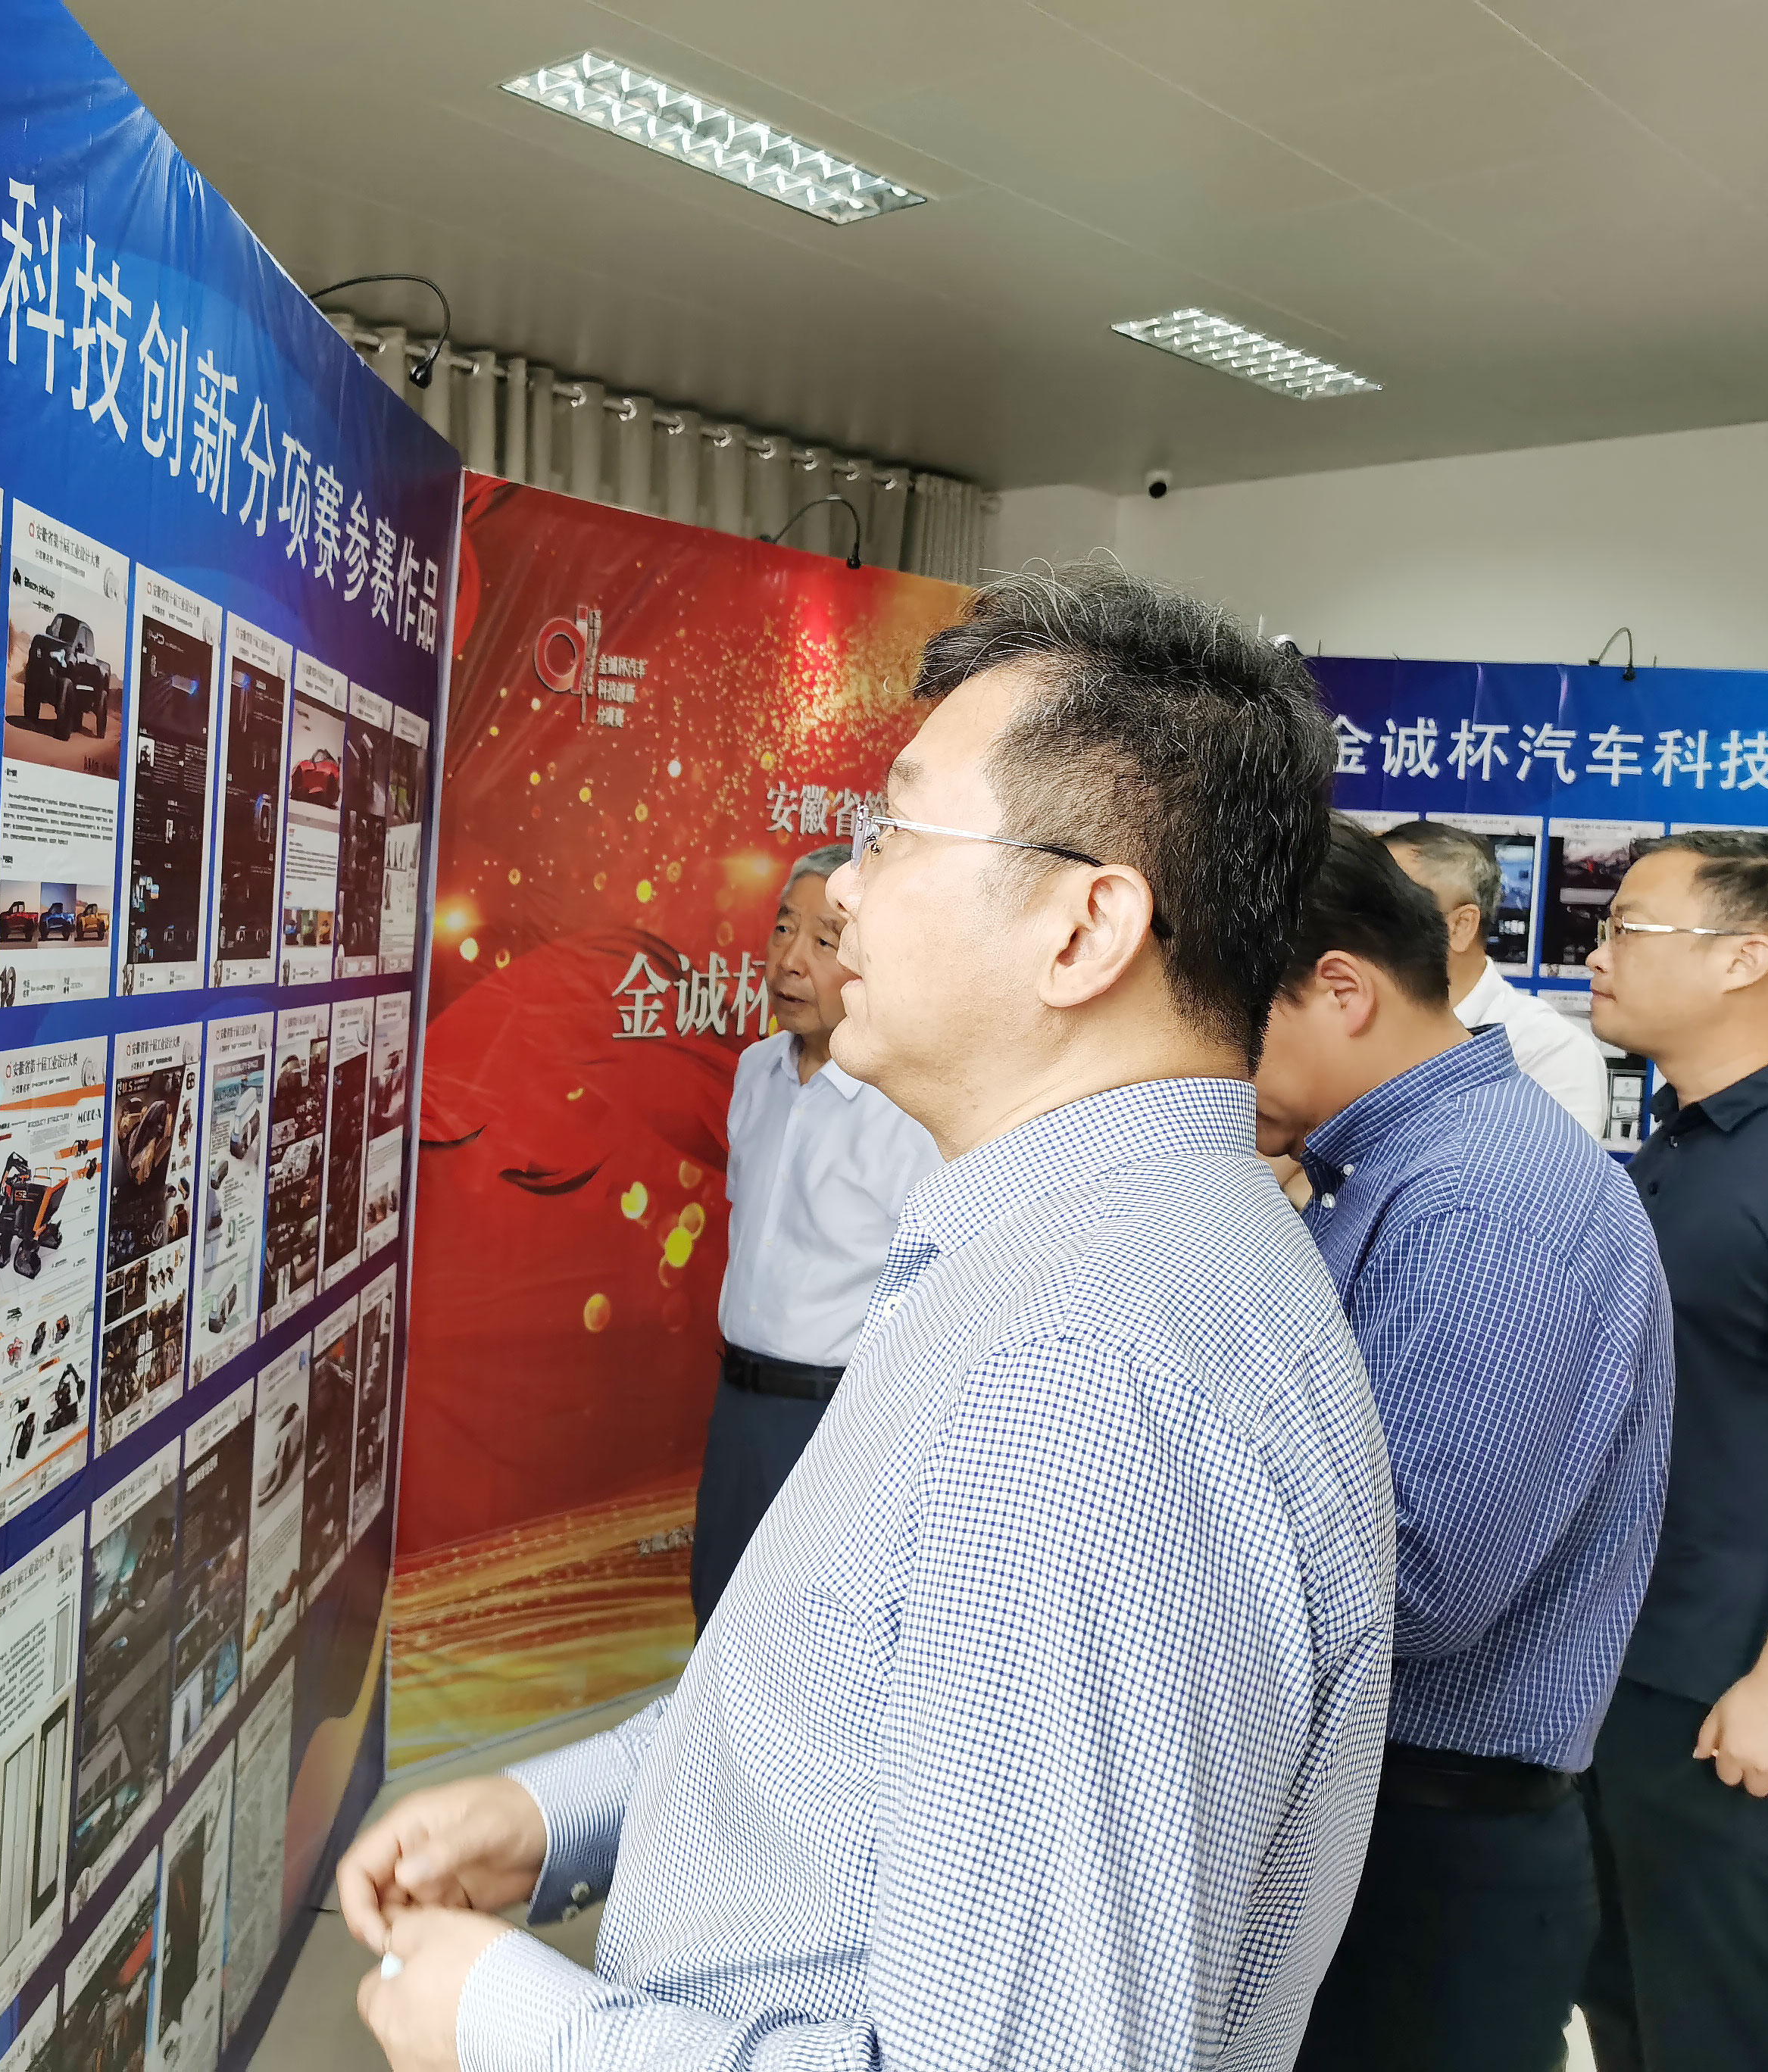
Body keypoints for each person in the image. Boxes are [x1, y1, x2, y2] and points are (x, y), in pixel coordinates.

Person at [341, 566, 1397, 2072]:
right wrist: (551, 1815)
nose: (842, 889)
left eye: (893, 831)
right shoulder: (1077, 1252)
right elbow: (843, 1718)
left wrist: (515, 2020)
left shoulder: (1075, 1377)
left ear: (1084, 929)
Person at [1252, 816, 1671, 2071]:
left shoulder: (1479, 1203)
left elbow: (1420, 1584)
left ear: (1342, 990)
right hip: (1392, 1817)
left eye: (1228, 1022)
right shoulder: (1393, 1168)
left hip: (1429, 1842)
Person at [1578, 828, 1768, 2071]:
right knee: (1630, 2007)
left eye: (1627, 926)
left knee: (1721, 2027)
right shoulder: (1682, 1138)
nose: (1595, 951)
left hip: (1735, 1688)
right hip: (1630, 1663)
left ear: (1744, 957)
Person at [692, 841, 939, 1632]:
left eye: (825, 941)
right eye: (782, 930)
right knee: (716, 1615)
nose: (790, 961)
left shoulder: (907, 1108)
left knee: (803, 1639)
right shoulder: (754, 1072)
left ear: (873, 959)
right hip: (738, 1402)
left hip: (838, 1419)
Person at [1382, 819, 1610, 1136]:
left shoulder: (1548, 1051)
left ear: (1460, 926)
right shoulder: (1345, 1023)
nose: (1352, 926)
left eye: (1383, 909)